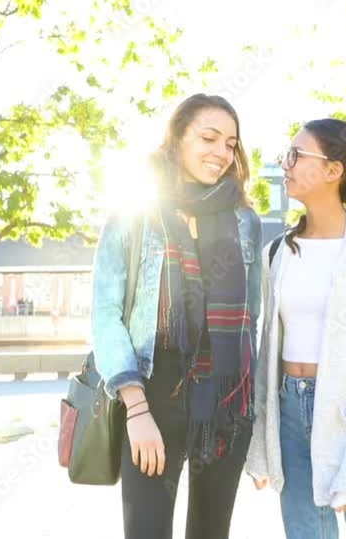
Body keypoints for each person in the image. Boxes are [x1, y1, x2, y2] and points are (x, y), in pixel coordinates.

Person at [91, 93, 262, 539]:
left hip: (225, 402)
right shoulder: (136, 212)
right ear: (178, 137)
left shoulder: (244, 221)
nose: (222, 152)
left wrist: (253, 417)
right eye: (209, 138)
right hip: (153, 394)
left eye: (231, 144)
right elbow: (106, 314)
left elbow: (253, 319)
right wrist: (136, 408)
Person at [246, 118, 346, 539]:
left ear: (334, 170)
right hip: (289, 414)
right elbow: (267, 352)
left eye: (296, 155)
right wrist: (261, 441)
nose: (286, 164)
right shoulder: (277, 252)